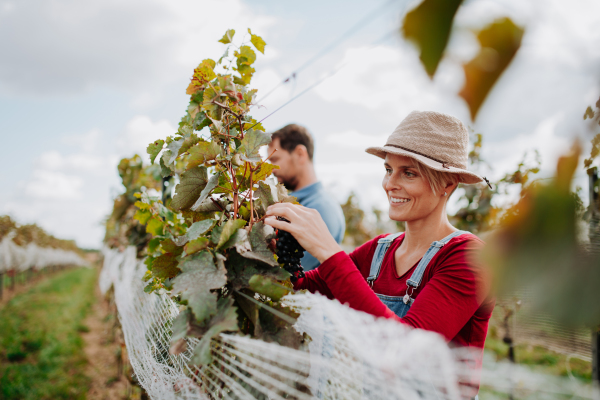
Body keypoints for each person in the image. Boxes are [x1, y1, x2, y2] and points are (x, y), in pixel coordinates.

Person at [265, 111, 495, 398]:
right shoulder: (380, 250)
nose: (390, 184)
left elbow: (404, 351)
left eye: (408, 172)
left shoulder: (468, 257)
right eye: (388, 170)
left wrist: (328, 250)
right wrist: (276, 252)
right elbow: (307, 287)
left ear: (448, 184)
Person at [267, 124, 345, 271]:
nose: (271, 169)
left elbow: (291, 270)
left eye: (275, 159)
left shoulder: (321, 208)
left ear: (300, 154)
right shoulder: (291, 204)